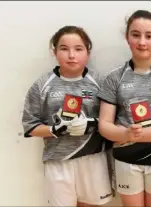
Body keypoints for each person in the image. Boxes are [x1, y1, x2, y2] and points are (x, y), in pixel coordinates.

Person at [97, 10, 151, 207]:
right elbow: (104, 125)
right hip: (125, 158)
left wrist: (133, 134)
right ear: (127, 37)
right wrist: (126, 134)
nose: (142, 42)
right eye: (135, 35)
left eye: (149, 36)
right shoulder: (114, 77)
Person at [21, 25, 112, 207]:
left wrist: (91, 124)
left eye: (78, 49)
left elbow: (114, 121)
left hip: (92, 158)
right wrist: (54, 130)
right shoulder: (42, 85)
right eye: (64, 49)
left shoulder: (101, 83)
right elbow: (30, 127)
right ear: (54, 51)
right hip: (58, 162)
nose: (71, 55)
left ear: (88, 52)